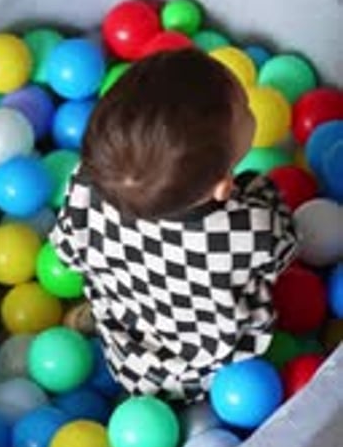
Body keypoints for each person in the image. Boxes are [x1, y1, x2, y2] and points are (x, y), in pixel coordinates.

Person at [49, 48, 298, 403]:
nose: (248, 108)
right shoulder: (244, 230)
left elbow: (68, 252)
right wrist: (263, 198)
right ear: (222, 187)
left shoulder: (87, 184)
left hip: (127, 355)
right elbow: (283, 251)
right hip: (208, 372)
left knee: (111, 289)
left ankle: (92, 323)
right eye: (244, 109)